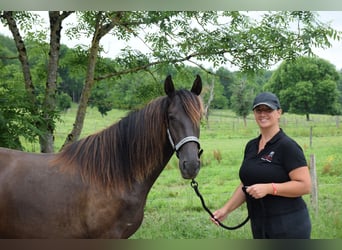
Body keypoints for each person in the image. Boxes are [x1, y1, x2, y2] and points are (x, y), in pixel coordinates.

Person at [211, 92, 312, 239]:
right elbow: (246, 185)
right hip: (260, 224)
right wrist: (225, 210)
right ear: (254, 113)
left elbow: (305, 186)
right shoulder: (251, 146)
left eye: (268, 110)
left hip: (288, 225)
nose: (263, 114)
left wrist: (270, 188)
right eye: (259, 110)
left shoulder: (288, 146)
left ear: (279, 113)